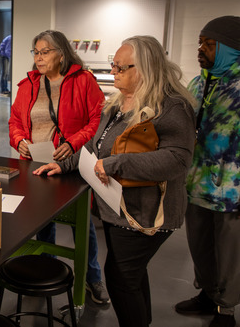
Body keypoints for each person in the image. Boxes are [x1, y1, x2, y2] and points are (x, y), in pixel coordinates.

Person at [34, 35, 196, 327]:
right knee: (130, 275)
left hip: (144, 214)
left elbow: (178, 160)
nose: (114, 73)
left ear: (145, 69)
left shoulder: (172, 107)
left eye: (122, 68)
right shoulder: (118, 104)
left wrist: (116, 163)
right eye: (114, 66)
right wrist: (64, 164)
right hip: (117, 208)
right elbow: (96, 148)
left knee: (122, 278)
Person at [9, 30, 108, 304]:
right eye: (36, 52)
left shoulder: (83, 81)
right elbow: (15, 120)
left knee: (82, 226)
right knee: (41, 221)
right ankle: (45, 267)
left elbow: (97, 121)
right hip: (36, 163)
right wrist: (19, 141)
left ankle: (92, 278)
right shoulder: (28, 84)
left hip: (72, 166)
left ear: (61, 53)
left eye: (45, 52)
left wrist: (74, 143)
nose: (39, 58)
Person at [175, 16, 240, 327]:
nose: (200, 49)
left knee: (230, 254)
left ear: (231, 49)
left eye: (209, 44)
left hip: (232, 192)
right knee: (200, 245)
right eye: (200, 42)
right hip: (197, 182)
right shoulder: (199, 82)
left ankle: (225, 309)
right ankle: (207, 294)